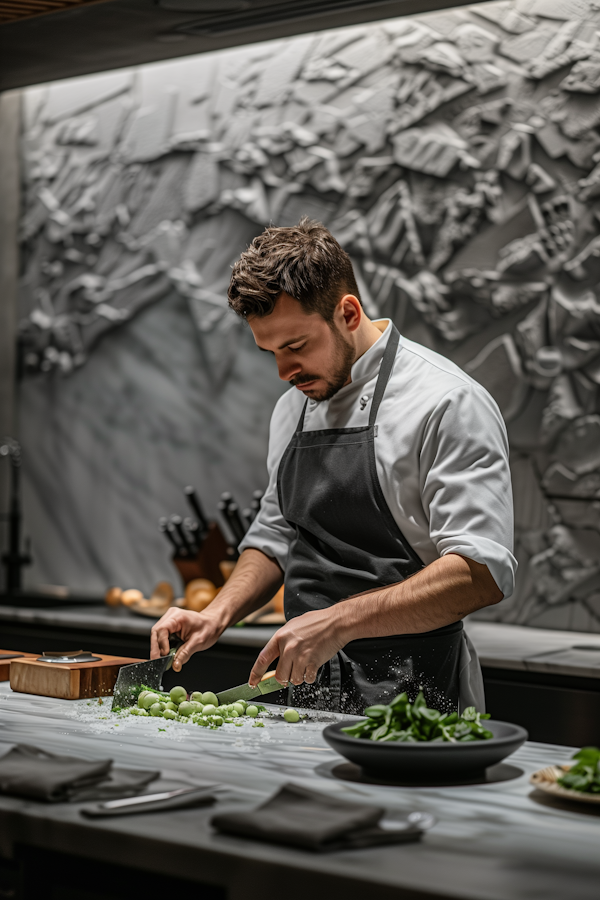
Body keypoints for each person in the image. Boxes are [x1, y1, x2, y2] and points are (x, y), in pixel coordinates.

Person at [151, 217, 516, 713]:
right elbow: (275, 534)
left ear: (347, 312)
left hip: (417, 695)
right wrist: (217, 612)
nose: (284, 372)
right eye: (271, 352)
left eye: (296, 347)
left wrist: (338, 621)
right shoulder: (293, 408)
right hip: (306, 691)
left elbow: (481, 572)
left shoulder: (447, 403)